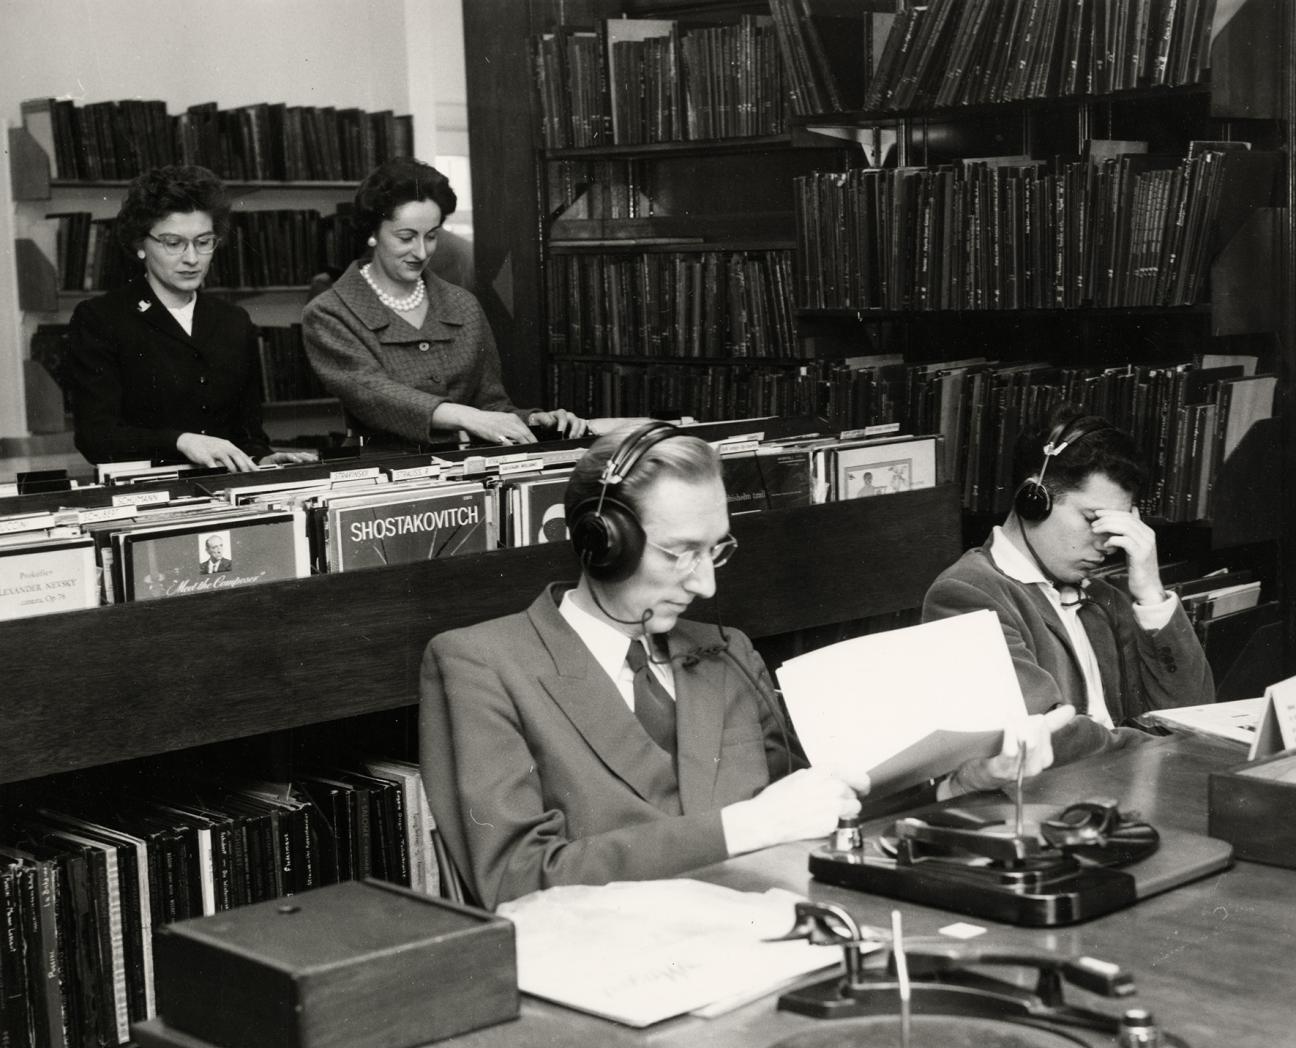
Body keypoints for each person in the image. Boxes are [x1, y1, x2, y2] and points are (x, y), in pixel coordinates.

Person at [419, 423, 1073, 909]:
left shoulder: (725, 650)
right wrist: (744, 826)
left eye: (715, 550)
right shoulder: (481, 663)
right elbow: (512, 881)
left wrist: (959, 784)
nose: (704, 584)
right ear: (601, 542)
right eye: (679, 553)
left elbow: (817, 805)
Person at [923, 408, 1215, 790]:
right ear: (1034, 499)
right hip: (1051, 807)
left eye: (1117, 524)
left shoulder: (1105, 597)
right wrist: (1165, 747)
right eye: (1093, 519)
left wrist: (1151, 594)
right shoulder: (966, 594)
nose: (1107, 544)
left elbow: (1195, 712)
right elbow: (1048, 737)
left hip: (1123, 795)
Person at [302, 158, 586, 448]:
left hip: (466, 470)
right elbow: (373, 394)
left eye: (432, 236)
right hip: (384, 475)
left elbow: (491, 405)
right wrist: (466, 417)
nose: (421, 251)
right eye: (406, 237)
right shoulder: (330, 312)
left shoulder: (464, 304)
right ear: (372, 234)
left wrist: (532, 421)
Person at [66, 166, 316, 472]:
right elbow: (96, 437)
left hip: (226, 492)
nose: (192, 258)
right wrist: (182, 442)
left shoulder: (234, 321)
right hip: (145, 496)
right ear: (140, 245)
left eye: (204, 242)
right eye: (173, 243)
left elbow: (247, 434)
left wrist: (261, 458)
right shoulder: (101, 319)